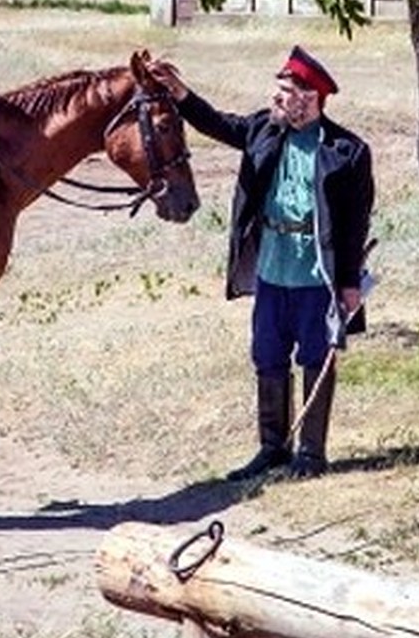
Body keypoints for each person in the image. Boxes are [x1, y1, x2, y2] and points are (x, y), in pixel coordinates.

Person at [151, 46, 374, 480]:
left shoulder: (349, 151)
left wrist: (348, 284)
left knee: (315, 358)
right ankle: (272, 447)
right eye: (279, 88)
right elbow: (217, 123)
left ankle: (310, 454)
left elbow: (354, 224)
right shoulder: (262, 129)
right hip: (272, 270)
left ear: (311, 99)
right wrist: (180, 93)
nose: (277, 97)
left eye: (287, 91)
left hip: (317, 275)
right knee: (267, 355)